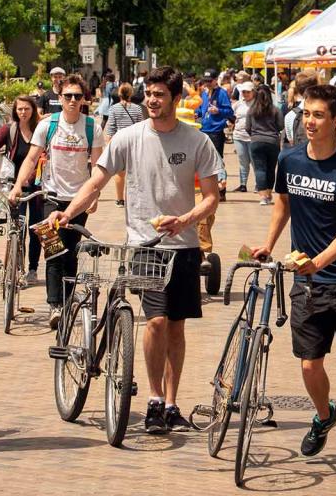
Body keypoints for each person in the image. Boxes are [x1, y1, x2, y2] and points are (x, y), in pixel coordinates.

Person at [59, 66, 222, 435]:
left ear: (175, 98)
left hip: (184, 246)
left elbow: (212, 199)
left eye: (160, 94)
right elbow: (96, 181)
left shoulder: (197, 142)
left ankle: (171, 402)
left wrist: (185, 220)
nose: (152, 99)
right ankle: (152, 397)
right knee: (156, 321)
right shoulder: (128, 138)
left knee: (177, 328)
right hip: (144, 246)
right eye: (149, 93)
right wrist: (68, 213)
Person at [253, 84, 336, 477]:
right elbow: (283, 205)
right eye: (306, 113)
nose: (309, 121)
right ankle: (324, 416)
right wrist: (267, 245)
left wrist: (318, 262)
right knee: (310, 366)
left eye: (318, 115)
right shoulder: (289, 161)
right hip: (307, 283)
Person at [9, 75, 104, 328]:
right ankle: (55, 305)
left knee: (71, 251)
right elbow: (31, 159)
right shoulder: (48, 125)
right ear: (59, 98)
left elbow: (96, 165)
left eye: (77, 96)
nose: (72, 100)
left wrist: (94, 195)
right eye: (67, 96)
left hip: (78, 198)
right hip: (50, 196)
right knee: (53, 252)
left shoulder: (92, 127)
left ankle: (69, 297)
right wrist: (18, 185)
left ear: (84, 100)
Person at [0, 96, 45, 283]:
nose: (23, 113)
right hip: (12, 187)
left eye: (27, 109)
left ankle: (33, 268)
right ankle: (16, 267)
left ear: (33, 110)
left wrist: (29, 178)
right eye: (19, 109)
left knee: (36, 228)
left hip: (36, 186)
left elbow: (43, 158)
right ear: (15, 111)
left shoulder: (40, 130)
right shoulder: (9, 131)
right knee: (17, 227)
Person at [104, 82, 147, 207]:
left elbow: (111, 128)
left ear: (119, 94)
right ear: (131, 93)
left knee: (119, 173)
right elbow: (141, 126)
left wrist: (109, 145)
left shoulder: (114, 108)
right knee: (135, 173)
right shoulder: (138, 108)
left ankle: (120, 199)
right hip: (135, 143)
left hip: (119, 143)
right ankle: (134, 199)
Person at [194, 69, 234, 201]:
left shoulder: (221, 93)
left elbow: (229, 111)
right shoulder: (204, 93)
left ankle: (222, 190)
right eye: (205, 81)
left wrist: (218, 110)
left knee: (217, 161)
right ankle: (210, 189)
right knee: (204, 161)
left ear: (215, 80)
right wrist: (197, 113)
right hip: (204, 129)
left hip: (216, 131)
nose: (207, 83)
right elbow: (201, 109)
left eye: (209, 81)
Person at [246, 84, 282, 206]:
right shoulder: (275, 109)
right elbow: (280, 126)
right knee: (271, 169)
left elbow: (247, 127)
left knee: (260, 169)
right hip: (272, 141)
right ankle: (268, 193)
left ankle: (263, 197)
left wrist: (254, 134)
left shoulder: (252, 110)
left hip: (256, 141)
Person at [283, 70, 318, 148]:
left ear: (298, 89)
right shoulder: (329, 110)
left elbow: (292, 142)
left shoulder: (290, 116)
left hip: (300, 157)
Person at [232, 82, 255, 193]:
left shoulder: (257, 104)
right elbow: (232, 117)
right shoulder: (238, 104)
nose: (245, 94)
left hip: (252, 137)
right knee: (243, 161)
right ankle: (243, 184)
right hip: (238, 136)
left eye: (248, 92)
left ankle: (258, 185)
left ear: (253, 92)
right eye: (243, 92)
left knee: (254, 161)